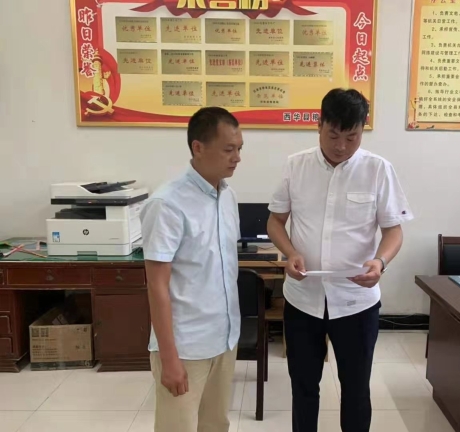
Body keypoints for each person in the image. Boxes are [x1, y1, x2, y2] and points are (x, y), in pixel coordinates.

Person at [267, 89, 414, 432]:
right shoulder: (296, 165)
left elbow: (393, 232)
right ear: (318, 126)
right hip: (303, 299)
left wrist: (380, 262)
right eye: (333, 135)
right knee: (304, 387)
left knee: (356, 390)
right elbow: (275, 221)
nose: (342, 146)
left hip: (356, 302)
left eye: (352, 137)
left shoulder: (378, 169)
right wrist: (290, 253)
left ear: (363, 129)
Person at [140, 107, 243, 432]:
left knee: (215, 425)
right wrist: (169, 359)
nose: (237, 158)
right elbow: (157, 285)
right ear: (198, 147)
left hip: (224, 339)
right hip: (185, 347)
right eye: (229, 149)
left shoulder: (227, 196)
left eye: (239, 148)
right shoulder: (167, 204)